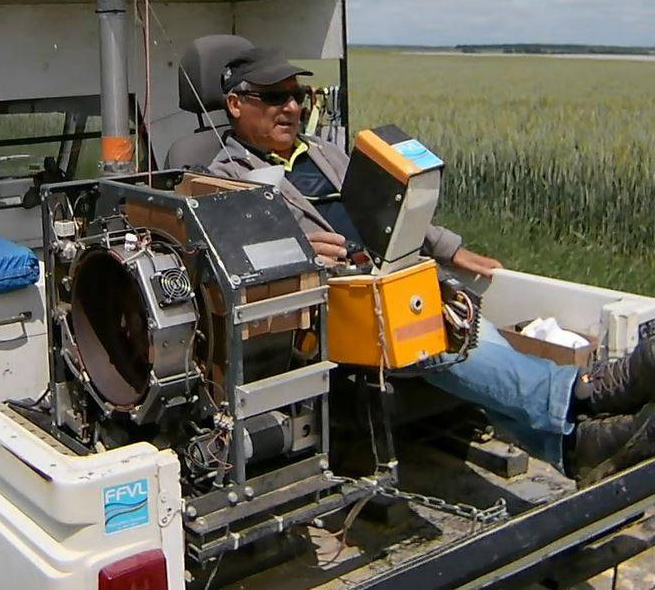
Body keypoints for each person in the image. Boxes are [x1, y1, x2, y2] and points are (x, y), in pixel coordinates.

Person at [207, 46, 655, 486]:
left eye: (298, 96)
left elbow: (390, 207)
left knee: (472, 329)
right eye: (274, 97)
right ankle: (584, 391)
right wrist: (298, 251)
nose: (292, 107)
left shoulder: (325, 152)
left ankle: (575, 448)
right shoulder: (220, 178)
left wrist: (450, 249)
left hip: (400, 275)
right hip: (334, 306)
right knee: (446, 340)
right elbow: (232, 261)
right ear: (235, 104)